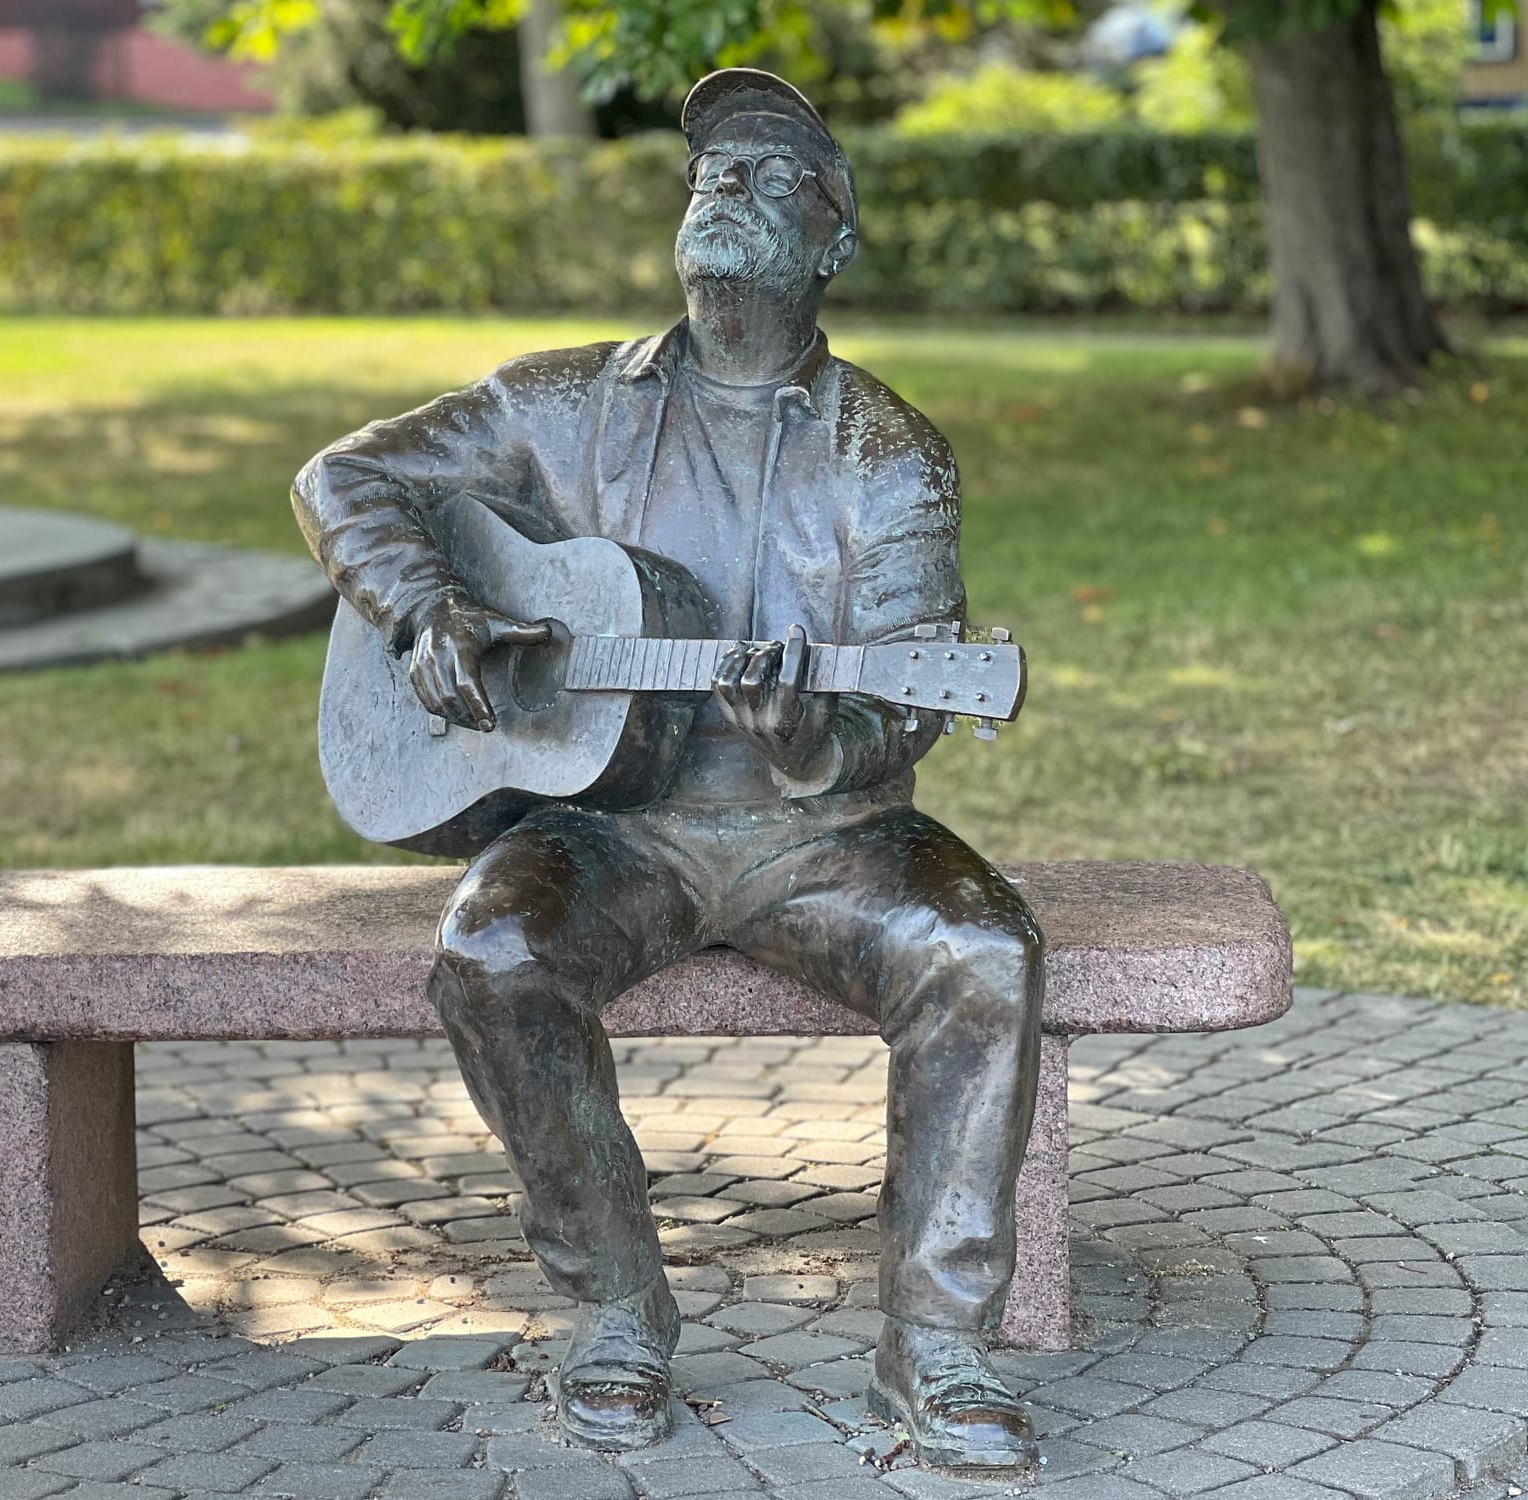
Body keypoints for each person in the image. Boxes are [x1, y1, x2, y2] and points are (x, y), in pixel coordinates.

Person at [292, 67, 1043, 1470]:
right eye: (711, 169)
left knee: (982, 950)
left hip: (825, 829)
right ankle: (616, 1308)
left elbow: (910, 692)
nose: (727, 185)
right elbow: (344, 479)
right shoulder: (559, 404)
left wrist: (815, 736)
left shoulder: (890, 454)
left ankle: (938, 1347)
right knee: (493, 949)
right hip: (607, 822)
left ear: (834, 240)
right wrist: (424, 609)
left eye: (771, 174)